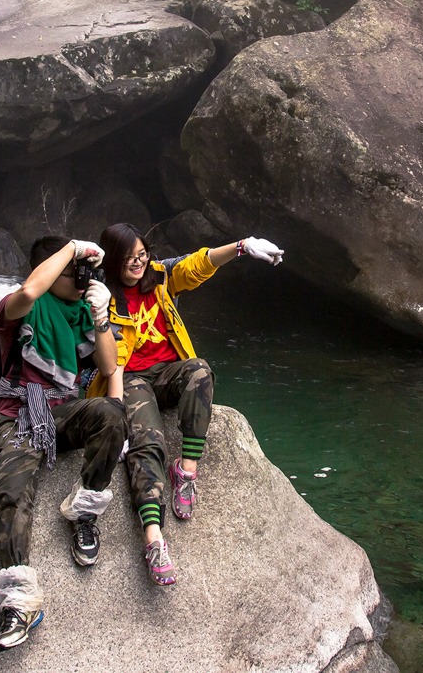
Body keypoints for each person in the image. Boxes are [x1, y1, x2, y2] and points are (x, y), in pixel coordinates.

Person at [90, 223, 284, 586]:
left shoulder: (160, 276)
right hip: (129, 377)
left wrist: (242, 246)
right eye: (130, 258)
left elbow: (199, 263)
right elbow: (106, 363)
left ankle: (187, 471)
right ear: (113, 260)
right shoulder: (102, 296)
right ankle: (153, 539)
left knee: (200, 371)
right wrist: (114, 413)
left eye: (142, 254)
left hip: (168, 371)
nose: (139, 263)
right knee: (148, 442)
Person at [0, 236, 127, 652]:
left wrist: (100, 317)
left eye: (84, 273)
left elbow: (108, 365)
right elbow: (30, 290)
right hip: (21, 414)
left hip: (63, 412)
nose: (81, 280)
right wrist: (72, 247)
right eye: (72, 273)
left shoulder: (80, 311)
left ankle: (84, 511)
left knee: (112, 415)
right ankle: (19, 599)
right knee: (11, 489)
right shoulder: (19, 307)